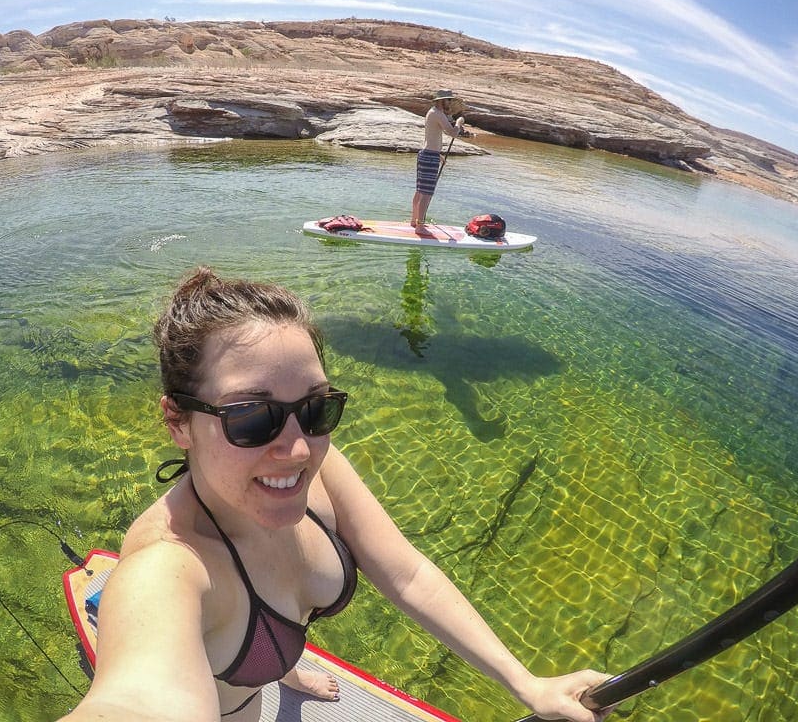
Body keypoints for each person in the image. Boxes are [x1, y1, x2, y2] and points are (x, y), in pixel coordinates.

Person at [58, 266, 611, 722]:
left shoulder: (318, 466)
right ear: (178, 423)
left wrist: (527, 684)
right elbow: (138, 702)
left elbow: (408, 575)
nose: (298, 450)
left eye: (317, 408)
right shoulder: (168, 565)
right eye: (251, 417)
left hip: (263, 658)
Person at [411, 90, 466, 228]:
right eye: (448, 100)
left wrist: (438, 155)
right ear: (441, 101)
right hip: (429, 156)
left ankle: (414, 221)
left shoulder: (433, 112)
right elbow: (453, 133)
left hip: (427, 154)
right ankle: (420, 225)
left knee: (420, 191)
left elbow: (431, 137)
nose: (450, 103)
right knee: (426, 193)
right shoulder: (437, 113)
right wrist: (459, 123)